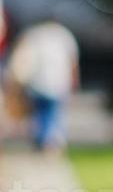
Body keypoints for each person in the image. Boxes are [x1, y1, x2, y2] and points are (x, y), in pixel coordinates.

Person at [5, 19, 78, 155]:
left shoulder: (33, 35)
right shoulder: (64, 35)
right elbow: (72, 61)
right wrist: (74, 81)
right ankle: (49, 141)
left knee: (41, 113)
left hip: (37, 82)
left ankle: (43, 140)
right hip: (57, 82)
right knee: (52, 113)